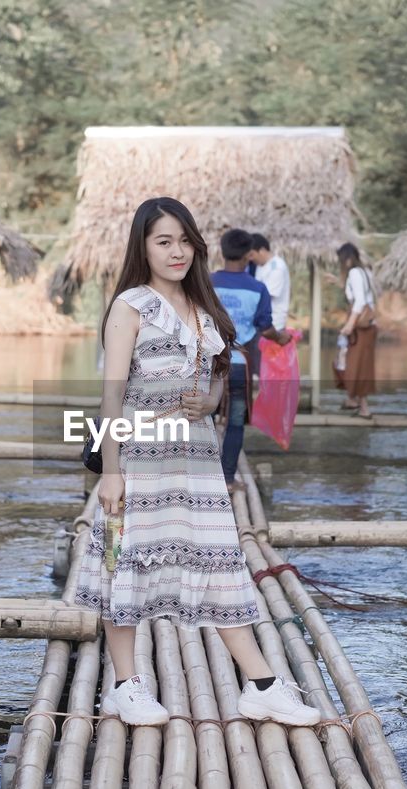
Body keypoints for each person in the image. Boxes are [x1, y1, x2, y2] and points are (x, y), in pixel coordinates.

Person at [72, 197, 317, 728]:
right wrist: (111, 472)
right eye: (163, 241)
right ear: (143, 247)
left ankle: (261, 687)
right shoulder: (131, 306)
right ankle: (125, 686)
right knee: (126, 563)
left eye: (185, 240)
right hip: (138, 455)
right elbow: (111, 397)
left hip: (198, 459)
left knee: (219, 562)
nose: (177, 251)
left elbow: (215, 377)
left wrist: (207, 401)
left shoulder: (204, 309)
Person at [212, 229, 292, 490]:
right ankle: (226, 479)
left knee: (200, 419)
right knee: (235, 422)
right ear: (248, 255)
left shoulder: (207, 282)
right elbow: (266, 328)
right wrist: (281, 339)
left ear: (222, 251)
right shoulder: (258, 289)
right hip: (238, 364)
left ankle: (196, 475)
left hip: (207, 365)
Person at [334, 242, 376, 418]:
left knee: (356, 365)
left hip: (360, 327)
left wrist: (350, 325)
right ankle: (354, 400)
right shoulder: (365, 272)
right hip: (367, 325)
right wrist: (339, 283)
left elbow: (359, 301)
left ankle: (362, 406)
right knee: (355, 364)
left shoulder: (353, 273)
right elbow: (364, 295)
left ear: (348, 259)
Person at [249, 233, 291, 333]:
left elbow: (266, 297)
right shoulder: (259, 265)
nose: (250, 258)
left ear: (262, 251)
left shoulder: (277, 268)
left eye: (252, 254)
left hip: (273, 325)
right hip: (260, 322)